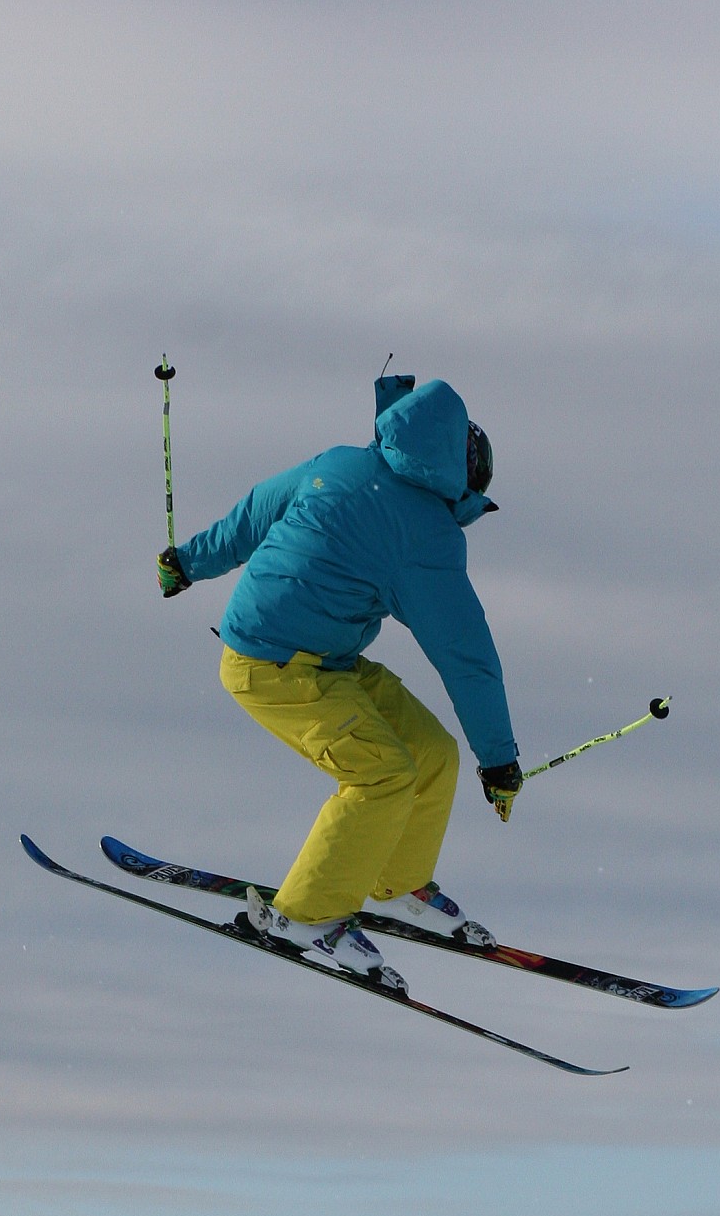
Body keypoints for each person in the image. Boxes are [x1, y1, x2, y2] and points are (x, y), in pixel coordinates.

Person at [157, 373, 524, 988]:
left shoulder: (343, 463)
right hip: (271, 668)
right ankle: (305, 917)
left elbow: (252, 516)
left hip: (325, 661)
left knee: (430, 753)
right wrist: (501, 762)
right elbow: (466, 656)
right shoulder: (425, 535)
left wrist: (186, 562)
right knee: (382, 774)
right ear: (459, 482)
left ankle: (397, 878)